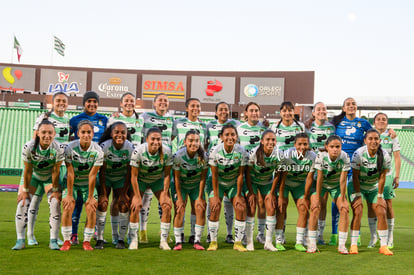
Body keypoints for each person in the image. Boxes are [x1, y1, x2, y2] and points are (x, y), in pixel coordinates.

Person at [24, 92, 70, 246]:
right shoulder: (44, 118)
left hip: (59, 166)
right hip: (42, 166)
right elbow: (34, 140)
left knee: (55, 201)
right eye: (58, 101)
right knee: (35, 200)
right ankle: (30, 235)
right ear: (53, 102)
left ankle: (55, 236)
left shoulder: (67, 121)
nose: (61, 103)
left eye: (64, 101)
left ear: (67, 104)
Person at [12, 120, 64, 250]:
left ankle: (53, 240)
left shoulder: (59, 148)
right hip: (34, 176)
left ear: (54, 133)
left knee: (55, 203)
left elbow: (56, 171)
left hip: (49, 178)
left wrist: (56, 190)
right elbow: (28, 170)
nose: (47, 135)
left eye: (50, 132)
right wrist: (24, 190)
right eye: (44, 132)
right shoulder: (29, 147)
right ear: (38, 134)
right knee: (22, 203)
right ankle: (20, 240)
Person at [330, 97, 372, 246]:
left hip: (355, 167)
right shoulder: (337, 123)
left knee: (355, 201)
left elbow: (374, 135)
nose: (351, 106)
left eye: (353, 104)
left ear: (356, 107)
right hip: (338, 167)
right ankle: (334, 234)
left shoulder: (363, 123)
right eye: (348, 104)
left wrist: (389, 132)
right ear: (343, 108)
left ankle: (357, 234)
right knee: (338, 201)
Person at [69, 91, 108, 244]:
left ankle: (92, 232)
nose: (92, 104)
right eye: (89, 101)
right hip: (79, 166)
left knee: (93, 201)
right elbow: (70, 141)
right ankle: (73, 234)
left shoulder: (104, 119)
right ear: (84, 103)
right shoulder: (74, 120)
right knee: (77, 202)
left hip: (97, 165)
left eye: (94, 101)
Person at [60, 120, 104, 251]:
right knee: (68, 207)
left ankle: (86, 241)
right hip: (72, 183)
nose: (86, 135)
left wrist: (90, 197)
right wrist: (68, 195)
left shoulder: (98, 151)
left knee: (91, 208)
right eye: (83, 132)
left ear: (92, 134)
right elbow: (70, 173)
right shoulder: (70, 148)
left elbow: (92, 175)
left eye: (89, 132)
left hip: (87, 184)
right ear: (78, 133)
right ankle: (66, 240)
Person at [348, 129, 393, 255]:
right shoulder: (358, 154)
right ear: (365, 141)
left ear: (380, 140)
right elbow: (355, 176)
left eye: (376, 139)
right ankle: (353, 244)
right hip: (357, 186)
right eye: (370, 139)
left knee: (381, 210)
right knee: (358, 211)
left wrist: (380, 196)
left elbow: (383, 176)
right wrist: (357, 195)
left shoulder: (385, 156)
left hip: (373, 187)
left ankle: (383, 246)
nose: (373, 141)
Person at [106, 92, 143, 244]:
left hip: (135, 164)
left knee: (129, 200)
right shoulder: (114, 118)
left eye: (132, 101)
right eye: (126, 101)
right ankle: (116, 236)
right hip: (117, 164)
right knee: (115, 200)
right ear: (121, 104)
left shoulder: (142, 119)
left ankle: (129, 234)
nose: (129, 103)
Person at [129, 127, 174, 250]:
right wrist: (137, 197)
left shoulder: (167, 151)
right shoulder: (138, 151)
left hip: (157, 180)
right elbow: (133, 176)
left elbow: (166, 175)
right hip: (141, 180)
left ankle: (163, 241)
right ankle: (134, 239)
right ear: (147, 139)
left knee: (166, 205)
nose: (155, 142)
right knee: (135, 206)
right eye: (153, 139)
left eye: (158, 139)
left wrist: (165, 193)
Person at [207, 124, 249, 252]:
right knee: (215, 207)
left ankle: (237, 242)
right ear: (221, 137)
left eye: (233, 135)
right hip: (217, 182)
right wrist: (215, 196)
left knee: (241, 206)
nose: (230, 137)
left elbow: (241, 175)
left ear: (236, 136)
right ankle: (213, 242)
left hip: (233, 183)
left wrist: (238, 194)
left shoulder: (241, 151)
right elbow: (214, 175)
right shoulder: (215, 151)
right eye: (227, 135)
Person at [139, 93, 174, 243]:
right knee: (145, 199)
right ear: (154, 103)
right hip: (147, 163)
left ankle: (163, 231)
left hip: (164, 163)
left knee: (164, 199)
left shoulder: (172, 119)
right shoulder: (144, 116)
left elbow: (171, 137)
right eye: (160, 100)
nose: (163, 103)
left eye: (165, 101)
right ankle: (142, 230)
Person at [306, 135, 350, 254]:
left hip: (336, 186)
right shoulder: (321, 156)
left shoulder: (345, 157)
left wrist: (343, 197)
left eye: (338, 147)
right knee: (315, 208)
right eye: (332, 147)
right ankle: (312, 244)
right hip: (321, 185)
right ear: (327, 147)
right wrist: (317, 198)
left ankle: (341, 245)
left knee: (345, 209)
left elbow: (343, 180)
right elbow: (319, 178)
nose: (335, 149)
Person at [172, 98, 207, 244]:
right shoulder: (177, 122)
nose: (195, 108)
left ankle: (194, 236)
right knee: (179, 206)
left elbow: (206, 144)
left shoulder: (204, 126)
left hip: (196, 170)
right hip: (180, 169)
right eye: (192, 106)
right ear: (187, 108)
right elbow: (171, 138)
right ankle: (178, 238)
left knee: (197, 206)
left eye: (198, 106)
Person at [95, 122, 135, 249]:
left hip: (120, 179)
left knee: (123, 204)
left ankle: (120, 239)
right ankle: (100, 239)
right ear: (111, 134)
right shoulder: (105, 146)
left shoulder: (129, 147)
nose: (120, 135)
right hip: (105, 178)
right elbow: (102, 171)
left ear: (126, 134)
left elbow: (130, 172)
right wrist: (103, 193)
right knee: (103, 204)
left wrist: (124, 193)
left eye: (123, 132)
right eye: (116, 132)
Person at [205, 101, 240, 244]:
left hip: (231, 166)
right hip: (214, 166)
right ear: (216, 112)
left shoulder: (237, 125)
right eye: (221, 109)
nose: (223, 112)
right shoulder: (209, 125)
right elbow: (206, 143)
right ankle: (209, 233)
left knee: (229, 203)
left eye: (226, 109)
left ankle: (229, 234)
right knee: (212, 201)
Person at [245, 130, 284, 251]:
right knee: (251, 207)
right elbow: (247, 173)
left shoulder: (279, 154)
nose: (270, 142)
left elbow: (278, 174)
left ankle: (268, 242)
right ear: (262, 141)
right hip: (252, 181)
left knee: (271, 206)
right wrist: (251, 192)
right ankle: (249, 241)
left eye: (273, 140)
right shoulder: (253, 153)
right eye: (268, 139)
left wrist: (272, 193)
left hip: (267, 182)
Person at [277, 133, 316, 252]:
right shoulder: (288, 154)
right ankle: (279, 240)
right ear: (295, 145)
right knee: (281, 207)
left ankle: (299, 242)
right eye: (300, 144)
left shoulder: (313, 156)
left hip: (299, 185)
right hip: (285, 183)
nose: (302, 146)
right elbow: (282, 176)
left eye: (305, 144)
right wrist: (281, 195)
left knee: (304, 208)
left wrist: (305, 196)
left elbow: (309, 178)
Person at [368, 113, 400, 249]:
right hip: (371, 175)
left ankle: (390, 236)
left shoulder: (392, 136)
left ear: (387, 123)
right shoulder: (369, 134)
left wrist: (397, 176)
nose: (381, 121)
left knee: (387, 205)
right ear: (374, 122)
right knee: (371, 206)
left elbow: (397, 157)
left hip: (386, 175)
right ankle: (373, 237)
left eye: (384, 119)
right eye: (378, 119)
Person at [304, 101, 335, 244]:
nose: (322, 111)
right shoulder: (307, 127)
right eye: (319, 109)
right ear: (314, 113)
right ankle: (307, 233)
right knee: (309, 202)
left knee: (323, 202)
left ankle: (320, 235)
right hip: (310, 169)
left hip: (326, 170)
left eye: (324, 109)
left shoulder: (331, 128)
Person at [237, 102, 268, 244]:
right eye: (251, 110)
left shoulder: (265, 128)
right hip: (245, 171)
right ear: (246, 113)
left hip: (261, 171)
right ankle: (243, 235)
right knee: (248, 203)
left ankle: (261, 234)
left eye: (256, 110)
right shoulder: (239, 128)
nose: (254, 113)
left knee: (262, 203)